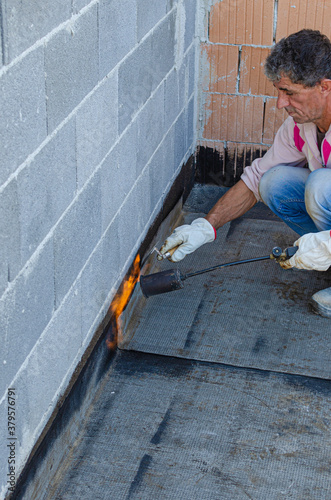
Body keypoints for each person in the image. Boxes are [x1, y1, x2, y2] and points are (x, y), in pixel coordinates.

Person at [159, 29, 331, 318]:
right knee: (272, 182)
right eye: (279, 91)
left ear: (325, 87)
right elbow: (254, 182)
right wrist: (207, 226)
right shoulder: (301, 127)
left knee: (320, 186)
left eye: (289, 93)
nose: (280, 103)